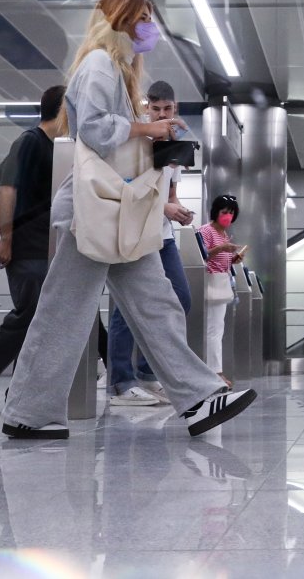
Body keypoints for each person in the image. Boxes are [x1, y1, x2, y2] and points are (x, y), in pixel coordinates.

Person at [1, 0, 255, 439]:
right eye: (140, 18)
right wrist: (147, 127)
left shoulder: (116, 69)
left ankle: (198, 397)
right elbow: (97, 131)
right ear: (119, 19)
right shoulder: (99, 64)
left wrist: (150, 137)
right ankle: (27, 411)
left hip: (115, 211)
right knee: (65, 310)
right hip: (94, 212)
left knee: (156, 303)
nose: (148, 28)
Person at [107, 80, 197, 406]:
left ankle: (147, 372)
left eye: (168, 109)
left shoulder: (173, 151)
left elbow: (169, 194)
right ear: (148, 109)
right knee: (126, 307)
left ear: (175, 110)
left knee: (180, 298)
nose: (162, 115)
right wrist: (166, 207)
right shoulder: (137, 145)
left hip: (163, 235)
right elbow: (131, 190)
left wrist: (177, 210)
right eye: (156, 109)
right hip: (136, 231)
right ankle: (120, 381)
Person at [0, 84, 66, 413]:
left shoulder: (57, 147)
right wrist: (5, 237)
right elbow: (7, 190)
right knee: (27, 315)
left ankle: (18, 393)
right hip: (26, 248)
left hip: (46, 248)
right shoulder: (29, 142)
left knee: (38, 323)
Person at [197, 194, 242, 385]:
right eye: (224, 212)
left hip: (221, 282)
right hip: (210, 282)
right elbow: (201, 255)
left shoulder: (223, 233)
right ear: (216, 212)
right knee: (214, 330)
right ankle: (215, 372)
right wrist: (223, 248)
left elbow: (218, 258)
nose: (228, 217)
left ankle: (213, 370)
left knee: (217, 329)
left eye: (231, 213)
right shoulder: (206, 231)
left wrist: (233, 259)